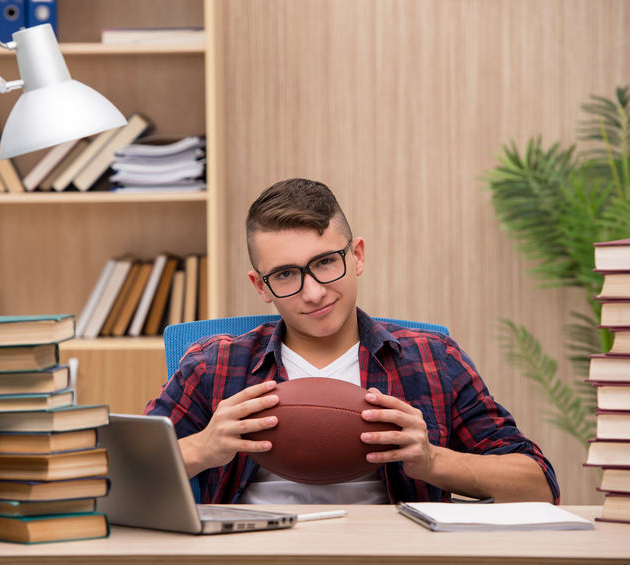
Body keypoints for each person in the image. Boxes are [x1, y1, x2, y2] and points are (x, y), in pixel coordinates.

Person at [145, 178, 559, 505]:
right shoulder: (212, 364)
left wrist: (433, 460)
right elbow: (116, 477)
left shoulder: (433, 358)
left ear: (356, 256)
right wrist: (203, 447)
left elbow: (539, 485)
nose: (313, 293)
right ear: (261, 286)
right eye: (286, 275)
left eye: (325, 262)